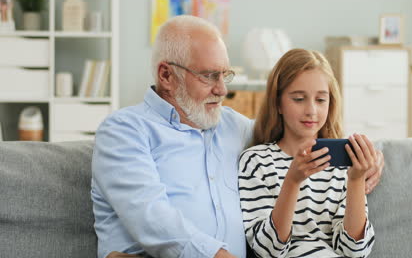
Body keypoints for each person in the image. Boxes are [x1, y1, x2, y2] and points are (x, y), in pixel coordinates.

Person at [91, 15, 383, 258]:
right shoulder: (123, 131)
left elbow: (297, 131)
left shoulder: (232, 126)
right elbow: (153, 220)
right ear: (166, 75)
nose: (222, 90)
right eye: (209, 76)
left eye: (225, 75)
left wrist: (370, 156)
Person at [239, 49, 383, 257]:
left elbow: (355, 251)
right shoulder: (256, 161)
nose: (311, 110)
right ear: (278, 102)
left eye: (321, 100)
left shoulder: (344, 164)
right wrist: (292, 180)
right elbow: (268, 250)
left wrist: (355, 181)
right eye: (298, 99)